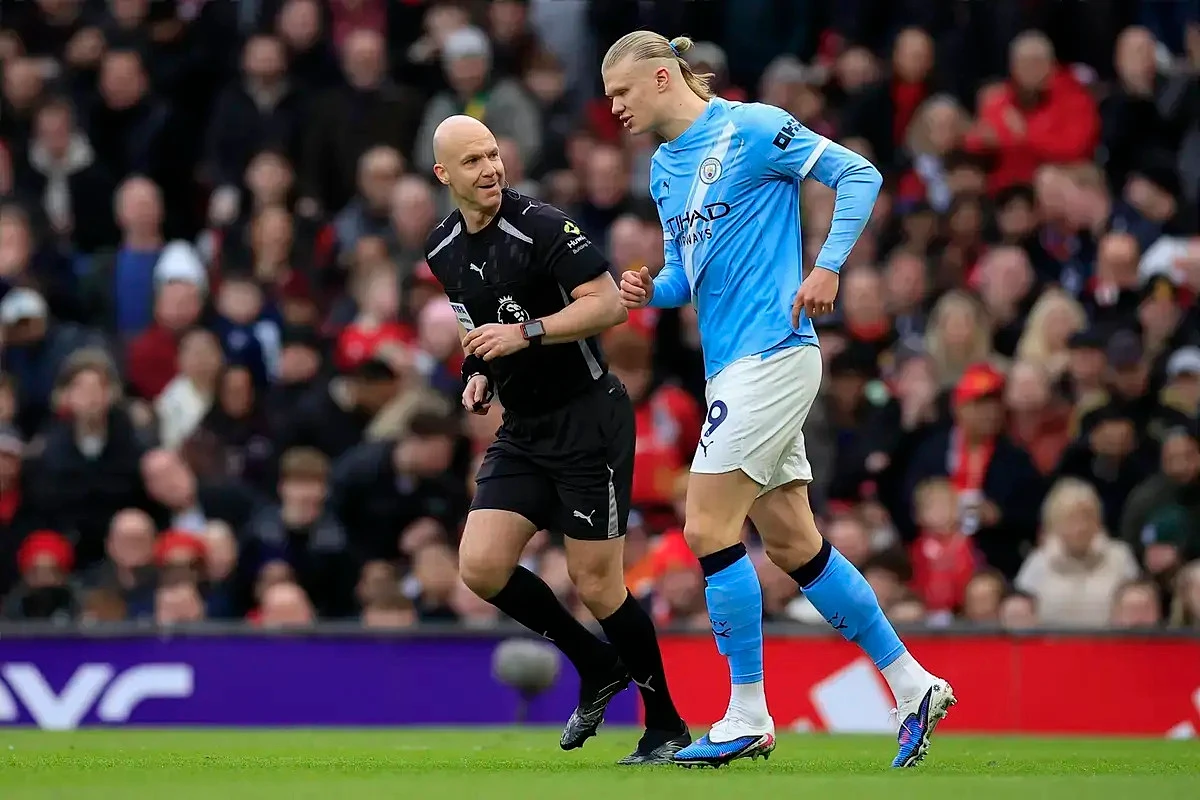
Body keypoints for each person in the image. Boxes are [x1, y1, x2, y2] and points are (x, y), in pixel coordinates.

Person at [604, 32, 955, 769]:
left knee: (706, 525)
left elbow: (859, 174)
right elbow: (686, 277)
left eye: (622, 93)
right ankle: (913, 684)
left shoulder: (753, 126)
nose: (615, 109)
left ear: (662, 78)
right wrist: (647, 290)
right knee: (795, 543)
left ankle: (747, 711)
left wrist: (828, 266)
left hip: (773, 355)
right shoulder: (665, 169)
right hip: (732, 368)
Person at [423, 115, 691, 764]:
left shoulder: (541, 225)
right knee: (480, 567)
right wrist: (479, 371)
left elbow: (608, 304)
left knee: (597, 584)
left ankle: (665, 724)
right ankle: (597, 665)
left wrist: (527, 334)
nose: (490, 169)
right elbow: (472, 325)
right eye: (473, 161)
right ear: (444, 174)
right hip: (524, 428)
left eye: (493, 154)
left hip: (587, 419)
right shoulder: (442, 247)